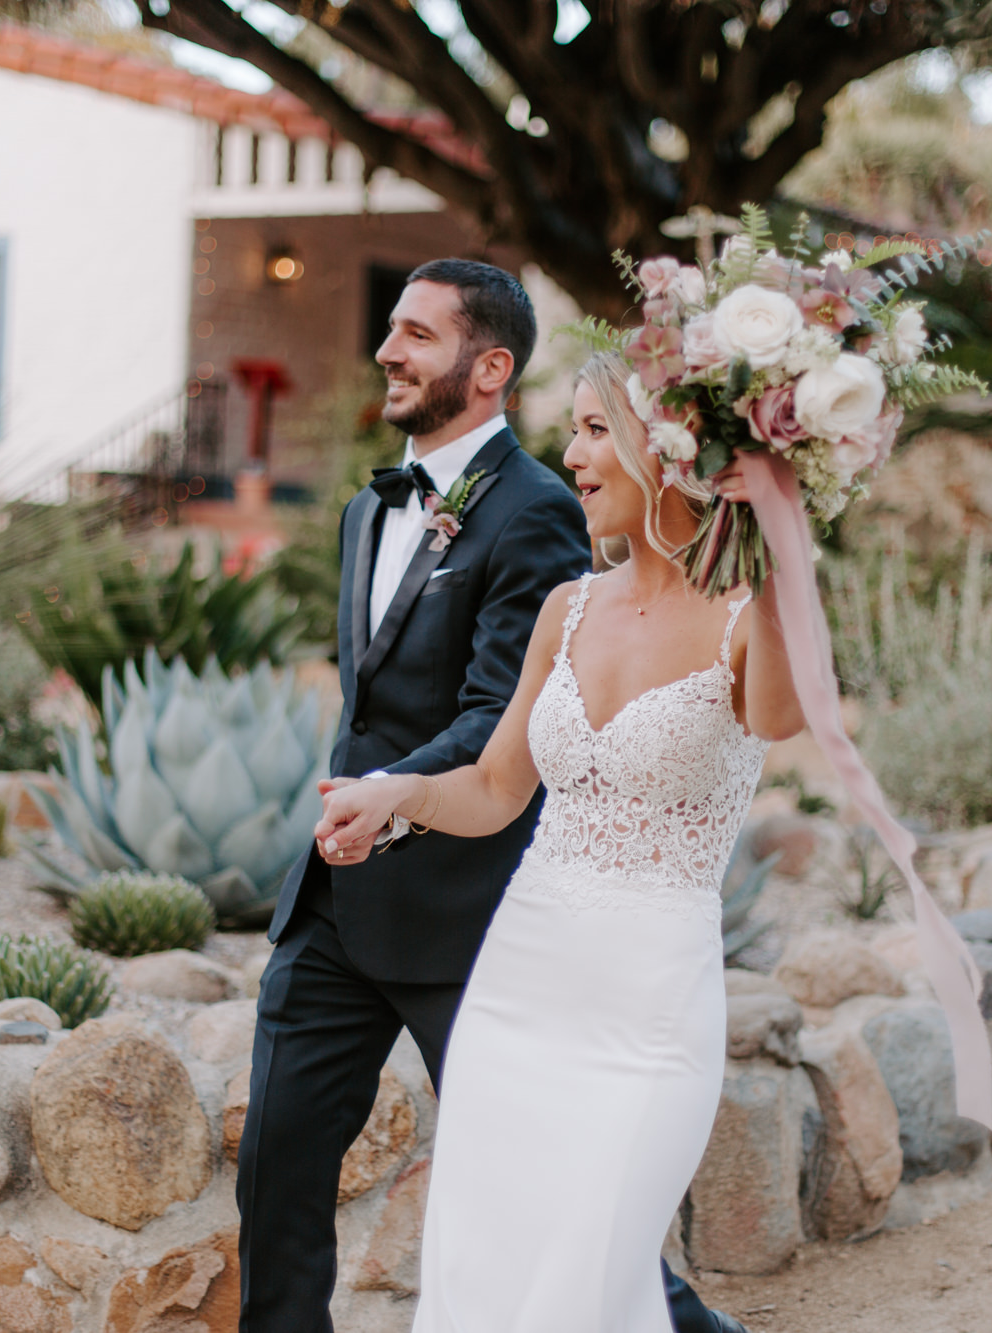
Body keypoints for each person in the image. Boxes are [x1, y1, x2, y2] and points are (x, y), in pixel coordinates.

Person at [237, 261, 746, 1333]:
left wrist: (399, 793)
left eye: (416, 334)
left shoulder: (539, 514)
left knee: (553, 1205)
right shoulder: (367, 509)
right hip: (334, 903)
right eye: (390, 329)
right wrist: (368, 804)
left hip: (467, 916)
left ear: (488, 365)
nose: (389, 350)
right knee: (276, 1174)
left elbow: (502, 718)